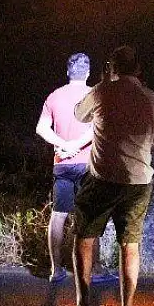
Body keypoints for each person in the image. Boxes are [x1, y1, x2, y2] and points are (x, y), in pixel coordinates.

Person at [72, 45, 154, 306]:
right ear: (138, 69)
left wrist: (103, 84)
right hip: (138, 182)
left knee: (84, 237)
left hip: (101, 179)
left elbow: (79, 115)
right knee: (130, 245)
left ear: (111, 68)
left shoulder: (102, 92)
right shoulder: (152, 99)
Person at [35, 52, 96, 283]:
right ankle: (92, 270)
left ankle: (56, 270)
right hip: (87, 165)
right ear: (88, 73)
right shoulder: (94, 96)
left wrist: (63, 145)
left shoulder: (54, 96)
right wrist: (75, 145)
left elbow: (41, 128)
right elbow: (96, 129)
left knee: (58, 215)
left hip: (62, 164)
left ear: (68, 72)